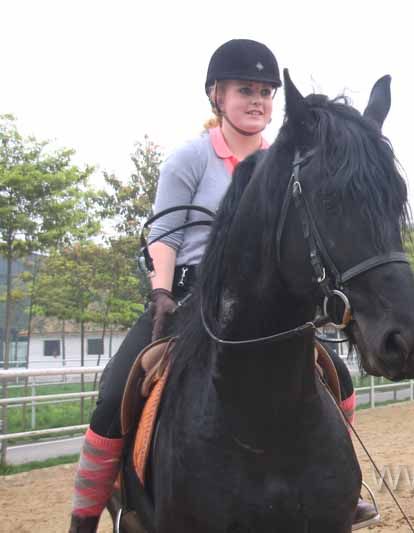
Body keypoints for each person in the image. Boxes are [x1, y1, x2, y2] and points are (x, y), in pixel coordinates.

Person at [68, 38, 375, 532]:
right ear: (217, 96)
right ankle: (88, 514)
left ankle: (339, 487)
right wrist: (161, 292)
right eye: (244, 90)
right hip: (189, 298)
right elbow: (165, 233)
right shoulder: (189, 159)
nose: (257, 100)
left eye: (265, 91)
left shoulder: (288, 166)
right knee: (112, 397)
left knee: (337, 373)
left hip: (264, 308)